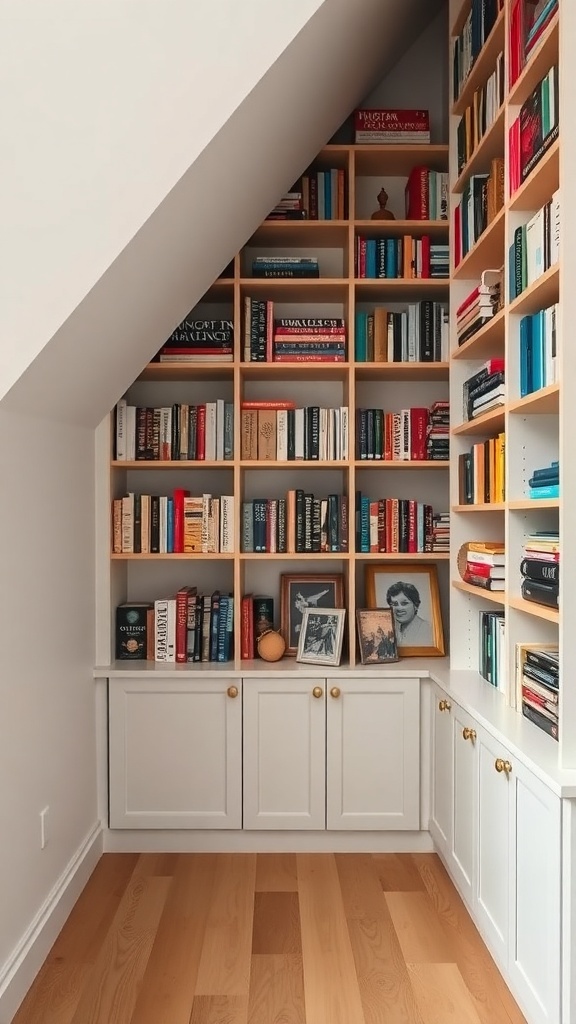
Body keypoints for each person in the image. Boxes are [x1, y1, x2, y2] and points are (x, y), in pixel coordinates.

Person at [385, 581, 433, 646]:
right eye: (394, 604)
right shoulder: (389, 630)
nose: (399, 608)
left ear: (416, 605)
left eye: (404, 603)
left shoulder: (429, 630)